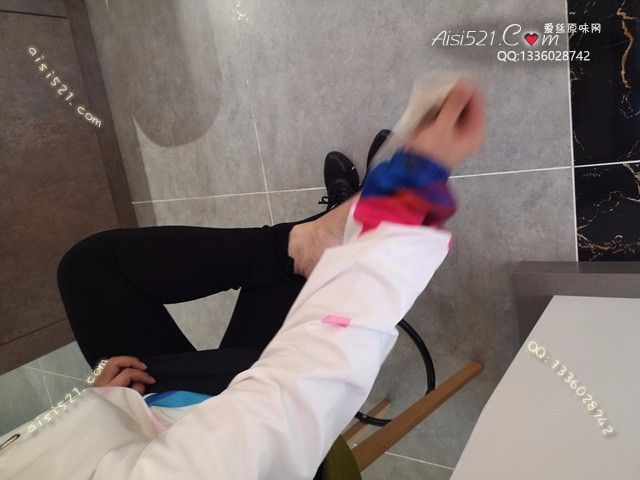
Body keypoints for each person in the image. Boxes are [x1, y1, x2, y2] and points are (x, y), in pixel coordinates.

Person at [0, 79, 485, 479]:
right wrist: (405, 199)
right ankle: (332, 233)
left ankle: (311, 239)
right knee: (267, 324)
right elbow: (276, 414)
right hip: (226, 443)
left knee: (88, 271)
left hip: (134, 423)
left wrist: (94, 412)